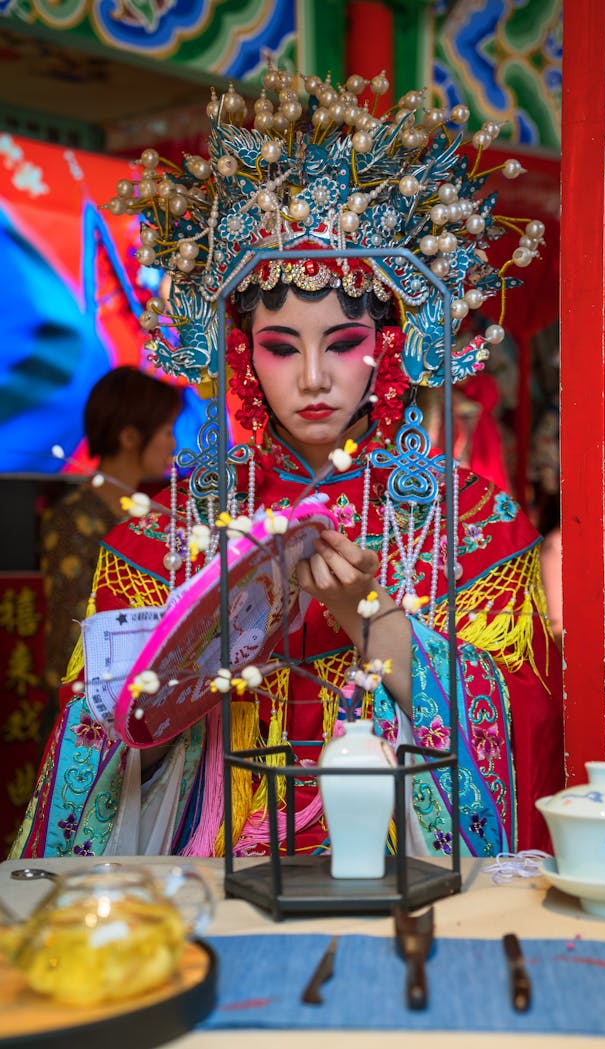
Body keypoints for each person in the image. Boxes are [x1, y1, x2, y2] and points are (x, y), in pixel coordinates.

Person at [11, 66, 564, 861]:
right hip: (213, 878)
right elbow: (91, 760)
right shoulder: (166, 532)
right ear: (241, 352)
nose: (311, 378)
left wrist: (378, 624)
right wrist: (185, 670)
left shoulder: (470, 523)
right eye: (280, 346)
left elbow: (531, 731)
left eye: (343, 343)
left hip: (402, 881)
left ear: (392, 344)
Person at [39, 366, 182, 729]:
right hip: (98, 713)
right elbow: (70, 636)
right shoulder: (74, 519)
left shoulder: (159, 515)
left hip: (157, 701)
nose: (173, 444)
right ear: (130, 436)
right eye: (166, 431)